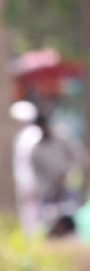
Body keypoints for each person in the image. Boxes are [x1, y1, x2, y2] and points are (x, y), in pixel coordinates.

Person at [29, 110, 87, 229]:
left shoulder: (61, 141)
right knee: (50, 218)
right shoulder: (36, 151)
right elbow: (38, 174)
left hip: (68, 185)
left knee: (73, 213)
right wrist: (50, 183)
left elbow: (78, 156)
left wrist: (70, 173)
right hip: (50, 190)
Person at [9, 100, 43, 235]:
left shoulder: (32, 135)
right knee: (27, 211)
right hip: (24, 180)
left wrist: (32, 182)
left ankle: (35, 236)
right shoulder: (22, 135)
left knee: (34, 211)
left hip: (32, 180)